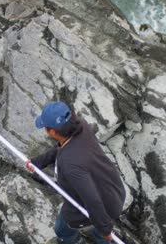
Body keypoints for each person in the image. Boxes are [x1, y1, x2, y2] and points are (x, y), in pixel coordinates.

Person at [26, 101, 126, 244]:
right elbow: (63, 148)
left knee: (62, 230)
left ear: (52, 132)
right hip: (114, 192)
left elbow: (92, 199)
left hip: (99, 208)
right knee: (101, 233)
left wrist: (105, 229)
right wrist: (39, 162)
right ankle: (100, 235)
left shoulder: (70, 165)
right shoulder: (82, 126)